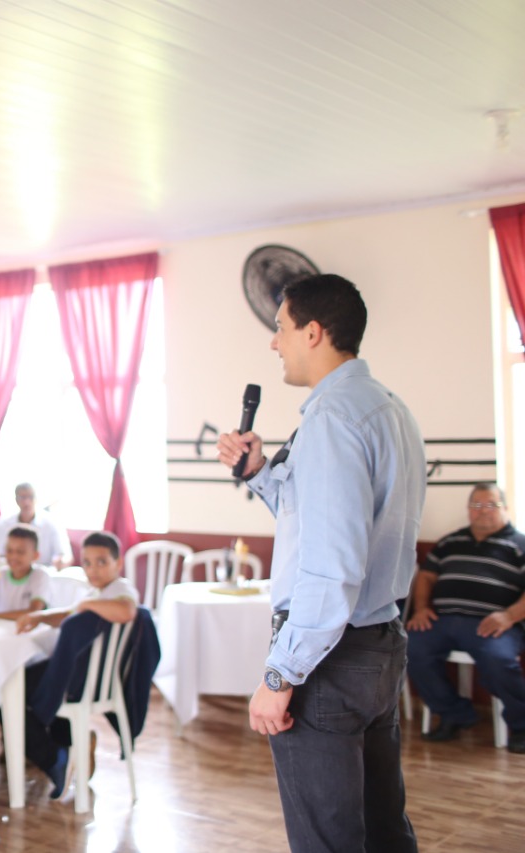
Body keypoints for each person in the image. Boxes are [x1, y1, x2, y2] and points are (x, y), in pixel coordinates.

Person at [216, 273, 425, 853]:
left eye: (280, 329)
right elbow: (323, 521)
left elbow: (331, 566)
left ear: (313, 332)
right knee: (385, 828)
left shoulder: (333, 419)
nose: (273, 342)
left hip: (331, 658)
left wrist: (281, 674)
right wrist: (261, 473)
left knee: (328, 842)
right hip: (380, 642)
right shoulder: (389, 408)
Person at [14, 531, 138, 796]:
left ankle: (55, 758)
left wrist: (89, 603)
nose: (94, 569)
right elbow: (72, 613)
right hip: (83, 673)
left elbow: (127, 611)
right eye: (87, 562)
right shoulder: (98, 591)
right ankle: (71, 743)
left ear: (119, 563)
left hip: (84, 679)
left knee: (6, 692)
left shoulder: (120, 590)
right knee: (13, 685)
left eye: (102, 562)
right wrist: (41, 616)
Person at [406, 483, 525, 752]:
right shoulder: (450, 542)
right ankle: (455, 714)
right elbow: (426, 576)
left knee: (498, 659)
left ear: (505, 508)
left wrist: (508, 616)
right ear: (469, 510)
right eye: (477, 505)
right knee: (411, 647)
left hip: (495, 624)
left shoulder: (519, 545)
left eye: (491, 505)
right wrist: (422, 608)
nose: (483, 512)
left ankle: (521, 724)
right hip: (443, 620)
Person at [0, 483, 73, 568]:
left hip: (44, 574)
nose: (26, 502)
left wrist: (60, 562)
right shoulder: (3, 523)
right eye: (22, 497)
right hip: (12, 574)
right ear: (16, 500)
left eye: (30, 497)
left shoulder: (53, 522)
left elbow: (65, 556)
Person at [0, 527, 49, 620]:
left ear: (35, 555)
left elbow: (33, 612)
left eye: (20, 552)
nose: (13, 556)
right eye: (9, 551)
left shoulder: (40, 576)